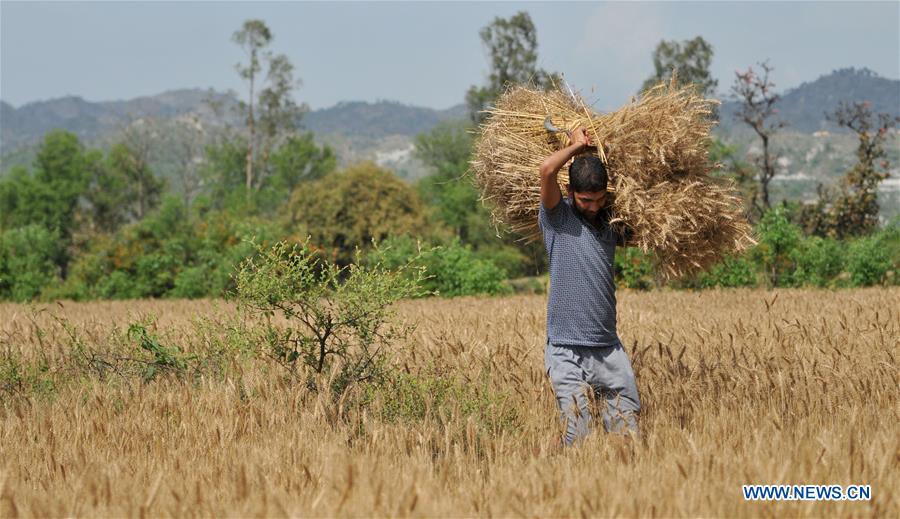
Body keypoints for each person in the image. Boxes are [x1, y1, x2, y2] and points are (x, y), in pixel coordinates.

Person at [538, 127, 641, 446]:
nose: (593, 206)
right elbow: (546, 170)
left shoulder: (611, 225)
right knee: (577, 434)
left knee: (627, 433)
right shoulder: (558, 219)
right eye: (586, 200)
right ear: (570, 193)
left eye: (599, 199)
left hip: (609, 348)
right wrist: (577, 146)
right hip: (566, 349)